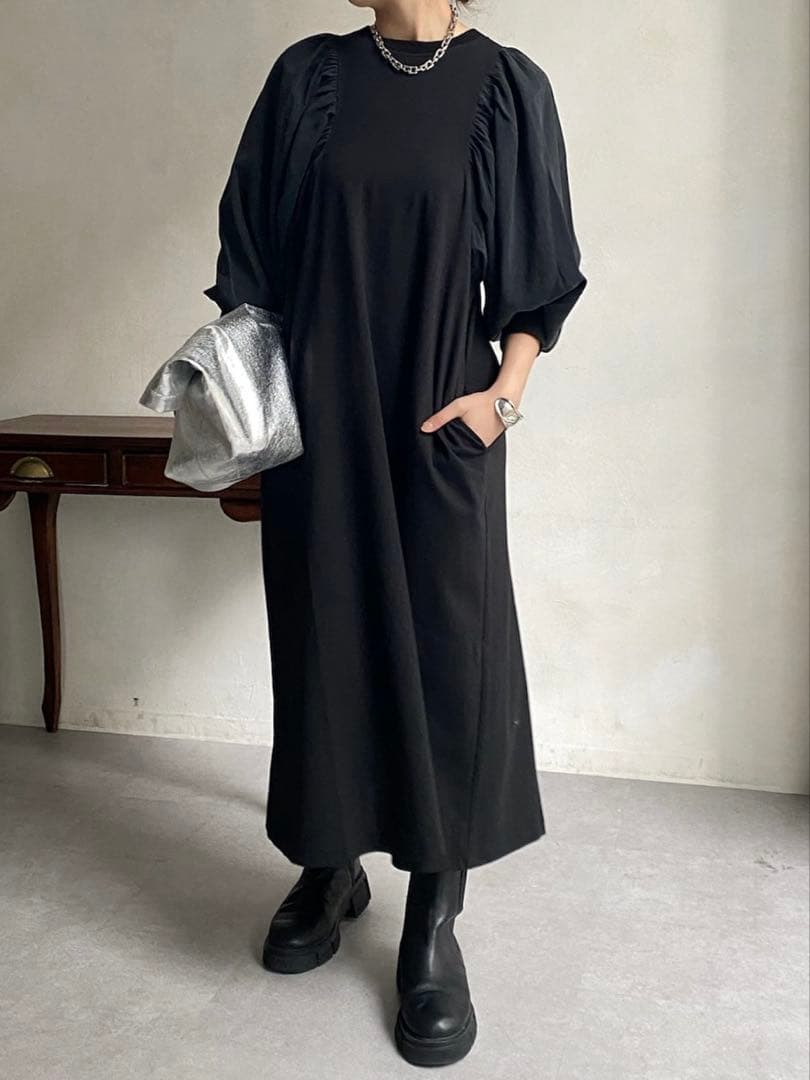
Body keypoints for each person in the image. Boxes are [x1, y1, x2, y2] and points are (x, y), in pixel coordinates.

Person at [204, 0, 587, 1066]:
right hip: (317, 426)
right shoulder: (307, 77)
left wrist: (500, 401)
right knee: (323, 643)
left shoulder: (506, 88)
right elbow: (250, 256)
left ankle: (433, 915)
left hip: (439, 423)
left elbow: (540, 272)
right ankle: (329, 866)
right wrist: (250, 396)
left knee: (448, 659)